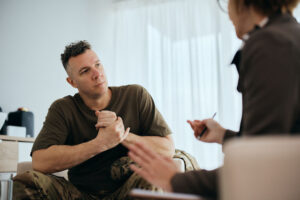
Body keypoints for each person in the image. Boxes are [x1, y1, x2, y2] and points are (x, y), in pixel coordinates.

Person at [128, 0, 300, 199]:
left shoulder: (270, 44)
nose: (227, 10)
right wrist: (222, 135)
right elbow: (279, 143)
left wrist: (177, 179)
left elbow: (260, 166)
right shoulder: (289, 36)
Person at [13, 41, 175, 200]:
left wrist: (122, 135)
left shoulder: (136, 95)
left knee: (153, 176)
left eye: (98, 64)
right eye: (85, 71)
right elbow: (40, 162)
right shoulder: (63, 108)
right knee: (27, 181)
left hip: (128, 190)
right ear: (72, 82)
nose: (97, 74)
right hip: (79, 193)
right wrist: (100, 144)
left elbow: (167, 149)